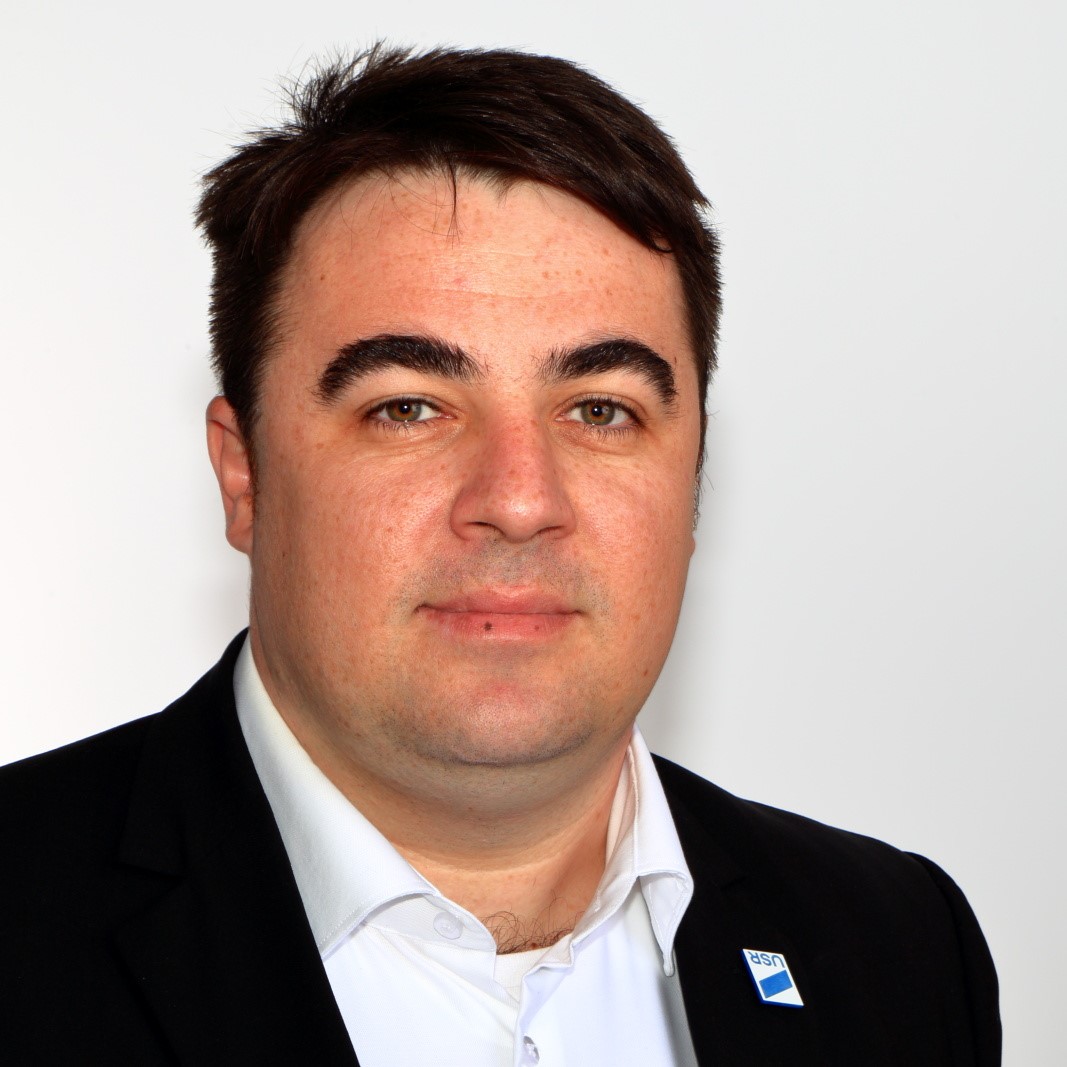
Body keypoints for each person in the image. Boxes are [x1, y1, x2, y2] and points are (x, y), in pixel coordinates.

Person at [0, 45, 999, 1065]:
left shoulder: (896, 949)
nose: (520, 501)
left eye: (600, 409)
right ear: (244, 474)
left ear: (693, 474)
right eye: (408, 406)